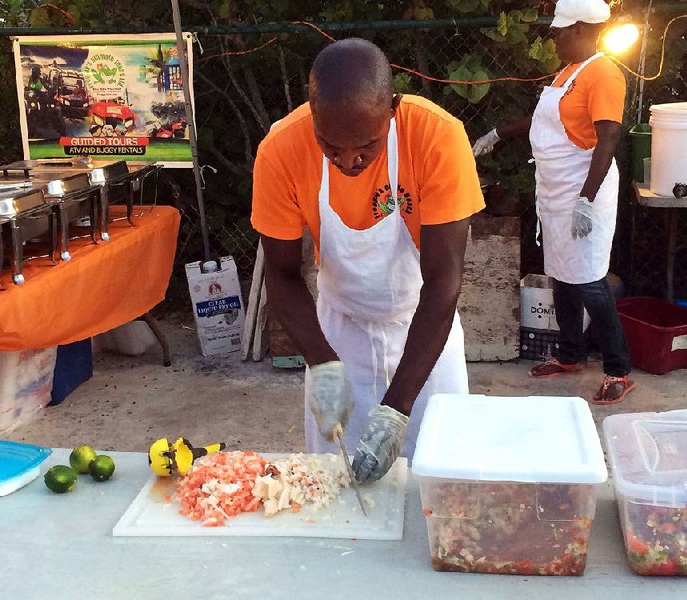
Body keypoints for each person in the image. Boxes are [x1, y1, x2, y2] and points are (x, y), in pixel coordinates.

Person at [251, 39, 484, 482]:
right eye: (330, 147)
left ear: (392, 108)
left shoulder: (437, 137)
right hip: (339, 331)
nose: (348, 161)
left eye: (365, 147)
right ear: (311, 110)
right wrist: (322, 362)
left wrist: (397, 409)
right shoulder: (280, 150)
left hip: (425, 327)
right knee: (334, 481)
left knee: (439, 477)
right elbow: (279, 274)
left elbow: (443, 280)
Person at [474, 0, 634, 405]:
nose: (555, 37)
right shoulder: (569, 74)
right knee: (562, 276)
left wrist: (586, 199)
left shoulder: (604, 74)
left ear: (580, 29)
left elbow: (609, 137)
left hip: (585, 190)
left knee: (592, 282)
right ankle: (570, 354)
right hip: (556, 190)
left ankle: (618, 369)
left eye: (560, 31)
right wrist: (498, 133)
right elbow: (543, 121)